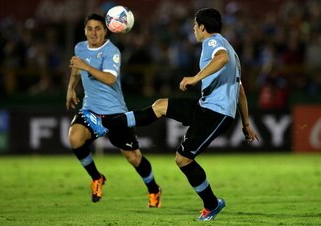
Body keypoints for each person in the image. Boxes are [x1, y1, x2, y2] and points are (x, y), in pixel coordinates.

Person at [92, 8, 259, 221]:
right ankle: (107, 122)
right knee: (161, 105)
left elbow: (222, 59)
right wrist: (246, 123)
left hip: (216, 114)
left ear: (202, 27)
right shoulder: (230, 47)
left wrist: (195, 78)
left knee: (183, 160)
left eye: (194, 25)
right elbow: (240, 90)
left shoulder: (213, 44)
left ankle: (212, 204)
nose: (193, 29)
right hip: (206, 107)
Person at [66, 13, 161, 207]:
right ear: (84, 31)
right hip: (90, 110)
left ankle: (153, 189)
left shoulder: (112, 51)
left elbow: (110, 79)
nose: (93, 33)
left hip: (115, 113)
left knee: (134, 158)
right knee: (74, 138)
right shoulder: (80, 48)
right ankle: (97, 178)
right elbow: (76, 68)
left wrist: (86, 65)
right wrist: (71, 88)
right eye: (90, 29)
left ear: (105, 30)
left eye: (98, 28)